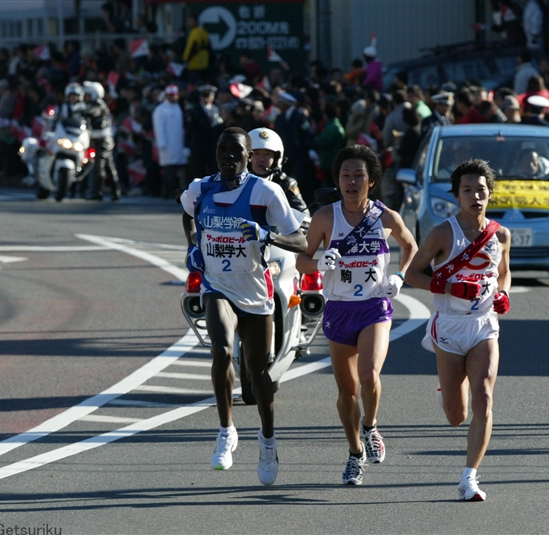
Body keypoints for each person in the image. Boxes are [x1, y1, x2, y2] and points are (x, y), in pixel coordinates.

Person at [180, 127, 307, 483]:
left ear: (249, 156)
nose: (228, 156)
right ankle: (225, 432)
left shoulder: (266, 192)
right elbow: (187, 212)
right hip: (217, 286)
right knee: (220, 351)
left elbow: (300, 238)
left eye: (236, 150)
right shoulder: (200, 188)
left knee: (257, 373)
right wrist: (193, 244)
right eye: (223, 149)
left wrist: (267, 234)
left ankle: (267, 438)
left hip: (254, 292)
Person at [296, 145, 417, 485]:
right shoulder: (325, 217)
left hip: (374, 307)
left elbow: (411, 246)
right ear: (338, 180)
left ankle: (371, 426)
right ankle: (354, 453)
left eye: (358, 176)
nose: (351, 182)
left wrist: (400, 275)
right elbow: (301, 260)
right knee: (347, 394)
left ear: (372, 181)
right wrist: (319, 263)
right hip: (339, 308)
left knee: (368, 376)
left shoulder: (386, 217)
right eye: (345, 175)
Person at [404, 158, 511, 501]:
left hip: (483, 327)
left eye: (481, 190)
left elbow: (504, 273)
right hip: (449, 326)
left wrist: (504, 294)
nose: (475, 196)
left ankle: (469, 478)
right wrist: (450, 288)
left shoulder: (501, 235)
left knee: (484, 397)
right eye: (467, 190)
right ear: (457, 196)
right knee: (456, 415)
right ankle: (449, 393)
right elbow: (412, 274)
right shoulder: (442, 233)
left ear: (490, 194)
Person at [247, 127, 309, 215]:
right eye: (256, 154)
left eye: (267, 154)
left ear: (276, 158)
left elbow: (303, 215)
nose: (261, 159)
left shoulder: (286, 183)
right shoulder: (238, 183)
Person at [83, 81, 121, 201]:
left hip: (103, 140)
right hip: (101, 139)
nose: (85, 97)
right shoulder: (93, 104)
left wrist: (82, 112)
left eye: (88, 94)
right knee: (109, 166)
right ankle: (115, 192)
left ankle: (97, 192)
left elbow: (93, 112)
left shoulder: (98, 105)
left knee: (99, 166)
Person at [152, 84, 189, 199]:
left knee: (178, 170)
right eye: (170, 95)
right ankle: (169, 192)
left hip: (178, 144)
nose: (172, 97)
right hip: (167, 146)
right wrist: (162, 144)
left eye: (174, 95)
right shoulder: (161, 110)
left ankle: (174, 192)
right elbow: (159, 128)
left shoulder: (178, 108)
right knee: (169, 171)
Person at [187, 85, 223, 180]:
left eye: (209, 96)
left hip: (213, 145)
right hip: (200, 145)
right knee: (199, 171)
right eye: (204, 96)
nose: (206, 99)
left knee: (214, 170)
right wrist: (187, 145)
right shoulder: (194, 110)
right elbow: (190, 129)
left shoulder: (216, 109)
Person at [183, 14, 210, 86]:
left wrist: (186, 60)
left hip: (194, 65)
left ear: (195, 22)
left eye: (190, 21)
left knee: (194, 85)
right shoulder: (204, 32)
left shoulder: (195, 32)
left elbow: (192, 48)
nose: (188, 23)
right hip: (204, 64)